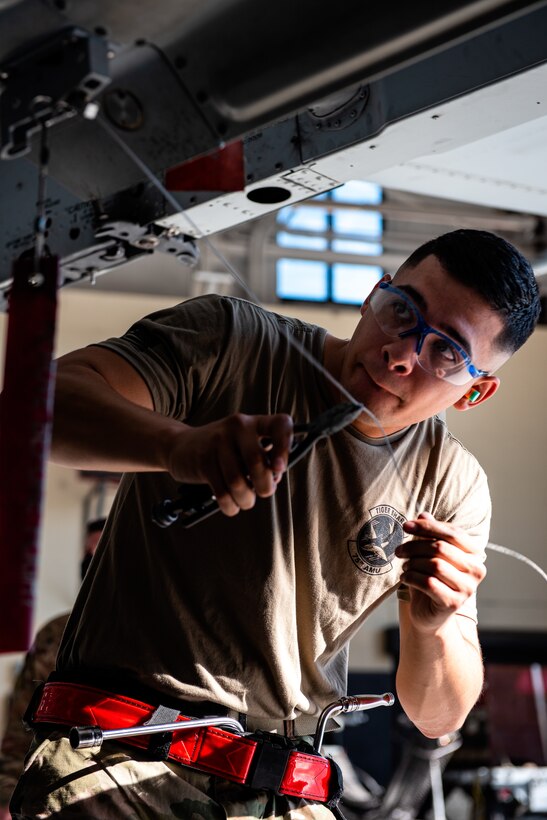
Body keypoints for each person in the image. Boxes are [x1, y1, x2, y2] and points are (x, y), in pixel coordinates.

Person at [9, 229, 540, 819]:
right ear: (373, 294)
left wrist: (434, 625)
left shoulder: (452, 484)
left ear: (476, 393)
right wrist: (178, 446)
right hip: (121, 762)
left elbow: (438, 715)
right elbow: (37, 407)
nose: (402, 354)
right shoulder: (234, 344)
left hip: (284, 790)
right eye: (402, 312)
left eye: (446, 353)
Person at [0, 519, 105, 819]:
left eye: (101, 548)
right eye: (87, 551)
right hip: (51, 797)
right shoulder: (58, 633)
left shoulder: (157, 635)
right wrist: (6, 795)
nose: (91, 557)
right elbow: (20, 726)